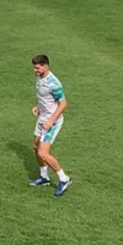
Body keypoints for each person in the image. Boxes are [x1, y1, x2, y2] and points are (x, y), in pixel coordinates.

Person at [30, 55, 72, 197]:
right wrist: (37, 105)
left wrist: (51, 120)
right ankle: (44, 178)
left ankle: (64, 179)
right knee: (36, 146)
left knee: (43, 152)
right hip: (42, 118)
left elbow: (63, 103)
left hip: (52, 121)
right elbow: (43, 96)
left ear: (45, 66)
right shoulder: (39, 77)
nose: (34, 70)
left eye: (37, 67)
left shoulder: (53, 83)